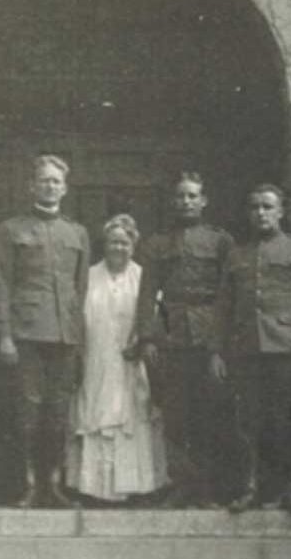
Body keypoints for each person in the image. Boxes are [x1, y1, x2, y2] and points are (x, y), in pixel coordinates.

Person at [210, 184, 291, 513]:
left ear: (281, 212)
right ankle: (250, 488)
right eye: (255, 207)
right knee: (248, 422)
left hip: (286, 348)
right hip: (245, 350)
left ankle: (288, 489)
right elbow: (223, 307)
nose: (260, 212)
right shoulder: (237, 255)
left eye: (267, 206)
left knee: (285, 422)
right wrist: (217, 350)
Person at [0, 154, 90, 507]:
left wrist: (78, 341)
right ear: (31, 185)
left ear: (64, 189)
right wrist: (4, 334)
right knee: (26, 413)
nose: (50, 186)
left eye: (56, 181)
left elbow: (81, 292)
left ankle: (54, 485)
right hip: (27, 335)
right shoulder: (12, 229)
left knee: (58, 414)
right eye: (43, 180)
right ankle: (28, 484)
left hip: (64, 337)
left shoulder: (77, 232)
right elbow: (1, 284)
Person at [135, 171, 233, 508]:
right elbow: (147, 294)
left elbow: (228, 295)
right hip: (171, 336)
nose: (186, 202)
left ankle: (205, 489)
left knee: (208, 414)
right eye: (180, 196)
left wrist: (221, 345)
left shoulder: (220, 241)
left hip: (209, 338)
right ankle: (181, 484)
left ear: (204, 201)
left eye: (192, 196)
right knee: (175, 415)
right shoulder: (157, 244)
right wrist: (147, 337)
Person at [65, 214, 168, 502]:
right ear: (104, 244)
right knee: (95, 413)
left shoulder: (143, 277)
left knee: (132, 417)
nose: (118, 248)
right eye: (113, 242)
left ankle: (135, 487)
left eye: (124, 242)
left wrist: (142, 336)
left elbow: (158, 315)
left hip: (130, 360)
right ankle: (94, 489)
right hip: (96, 356)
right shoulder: (89, 275)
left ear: (134, 245)